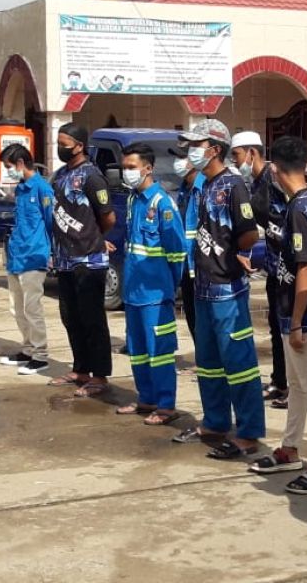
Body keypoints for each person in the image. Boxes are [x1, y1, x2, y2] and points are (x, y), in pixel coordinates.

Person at [249, 137, 307, 493]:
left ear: (274, 169)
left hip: (299, 305)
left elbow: (306, 266)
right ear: (305, 165)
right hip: (301, 302)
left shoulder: (299, 209)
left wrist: (300, 319)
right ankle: (290, 448)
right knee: (299, 383)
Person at [171, 119, 265, 460]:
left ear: (215, 148)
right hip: (203, 286)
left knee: (238, 362)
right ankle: (215, 421)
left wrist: (234, 259)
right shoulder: (204, 185)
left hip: (227, 288)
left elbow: (248, 233)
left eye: (197, 145)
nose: (191, 152)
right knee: (208, 362)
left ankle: (249, 432)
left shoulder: (232, 184)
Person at [116, 143, 187, 426]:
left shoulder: (162, 204)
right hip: (134, 292)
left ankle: (166, 405)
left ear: (148, 168)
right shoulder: (134, 200)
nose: (127, 172)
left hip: (156, 294)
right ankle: (146, 398)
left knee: (159, 351)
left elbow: (177, 251)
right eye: (125, 167)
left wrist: (170, 285)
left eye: (131, 167)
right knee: (138, 349)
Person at [48, 123, 116, 398]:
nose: (59, 147)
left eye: (64, 142)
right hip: (64, 259)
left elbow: (108, 217)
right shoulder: (61, 175)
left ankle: (99, 376)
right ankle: (81, 369)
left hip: (89, 260)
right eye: (58, 142)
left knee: (92, 319)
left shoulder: (92, 177)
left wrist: (94, 236)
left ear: (78, 145)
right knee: (70, 317)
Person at [231, 131, 289, 409]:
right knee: (276, 327)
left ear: (251, 153)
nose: (235, 161)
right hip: (273, 265)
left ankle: (292, 386)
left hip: (287, 265)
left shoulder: (273, 179)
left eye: (237, 155)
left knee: (288, 330)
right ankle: (280, 381)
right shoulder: (255, 182)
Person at [0, 144, 54, 376]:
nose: (8, 171)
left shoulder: (41, 189)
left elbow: (51, 222)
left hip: (34, 254)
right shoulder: (21, 189)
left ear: (21, 164)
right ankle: (28, 347)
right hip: (17, 254)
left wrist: (51, 252)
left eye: (9, 167)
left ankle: (40, 355)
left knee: (32, 307)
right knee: (17, 307)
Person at [170, 146, 206, 341]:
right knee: (192, 317)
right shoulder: (184, 190)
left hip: (202, 267)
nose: (178, 162)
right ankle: (202, 362)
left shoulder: (204, 188)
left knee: (204, 320)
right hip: (186, 267)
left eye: (182, 157)